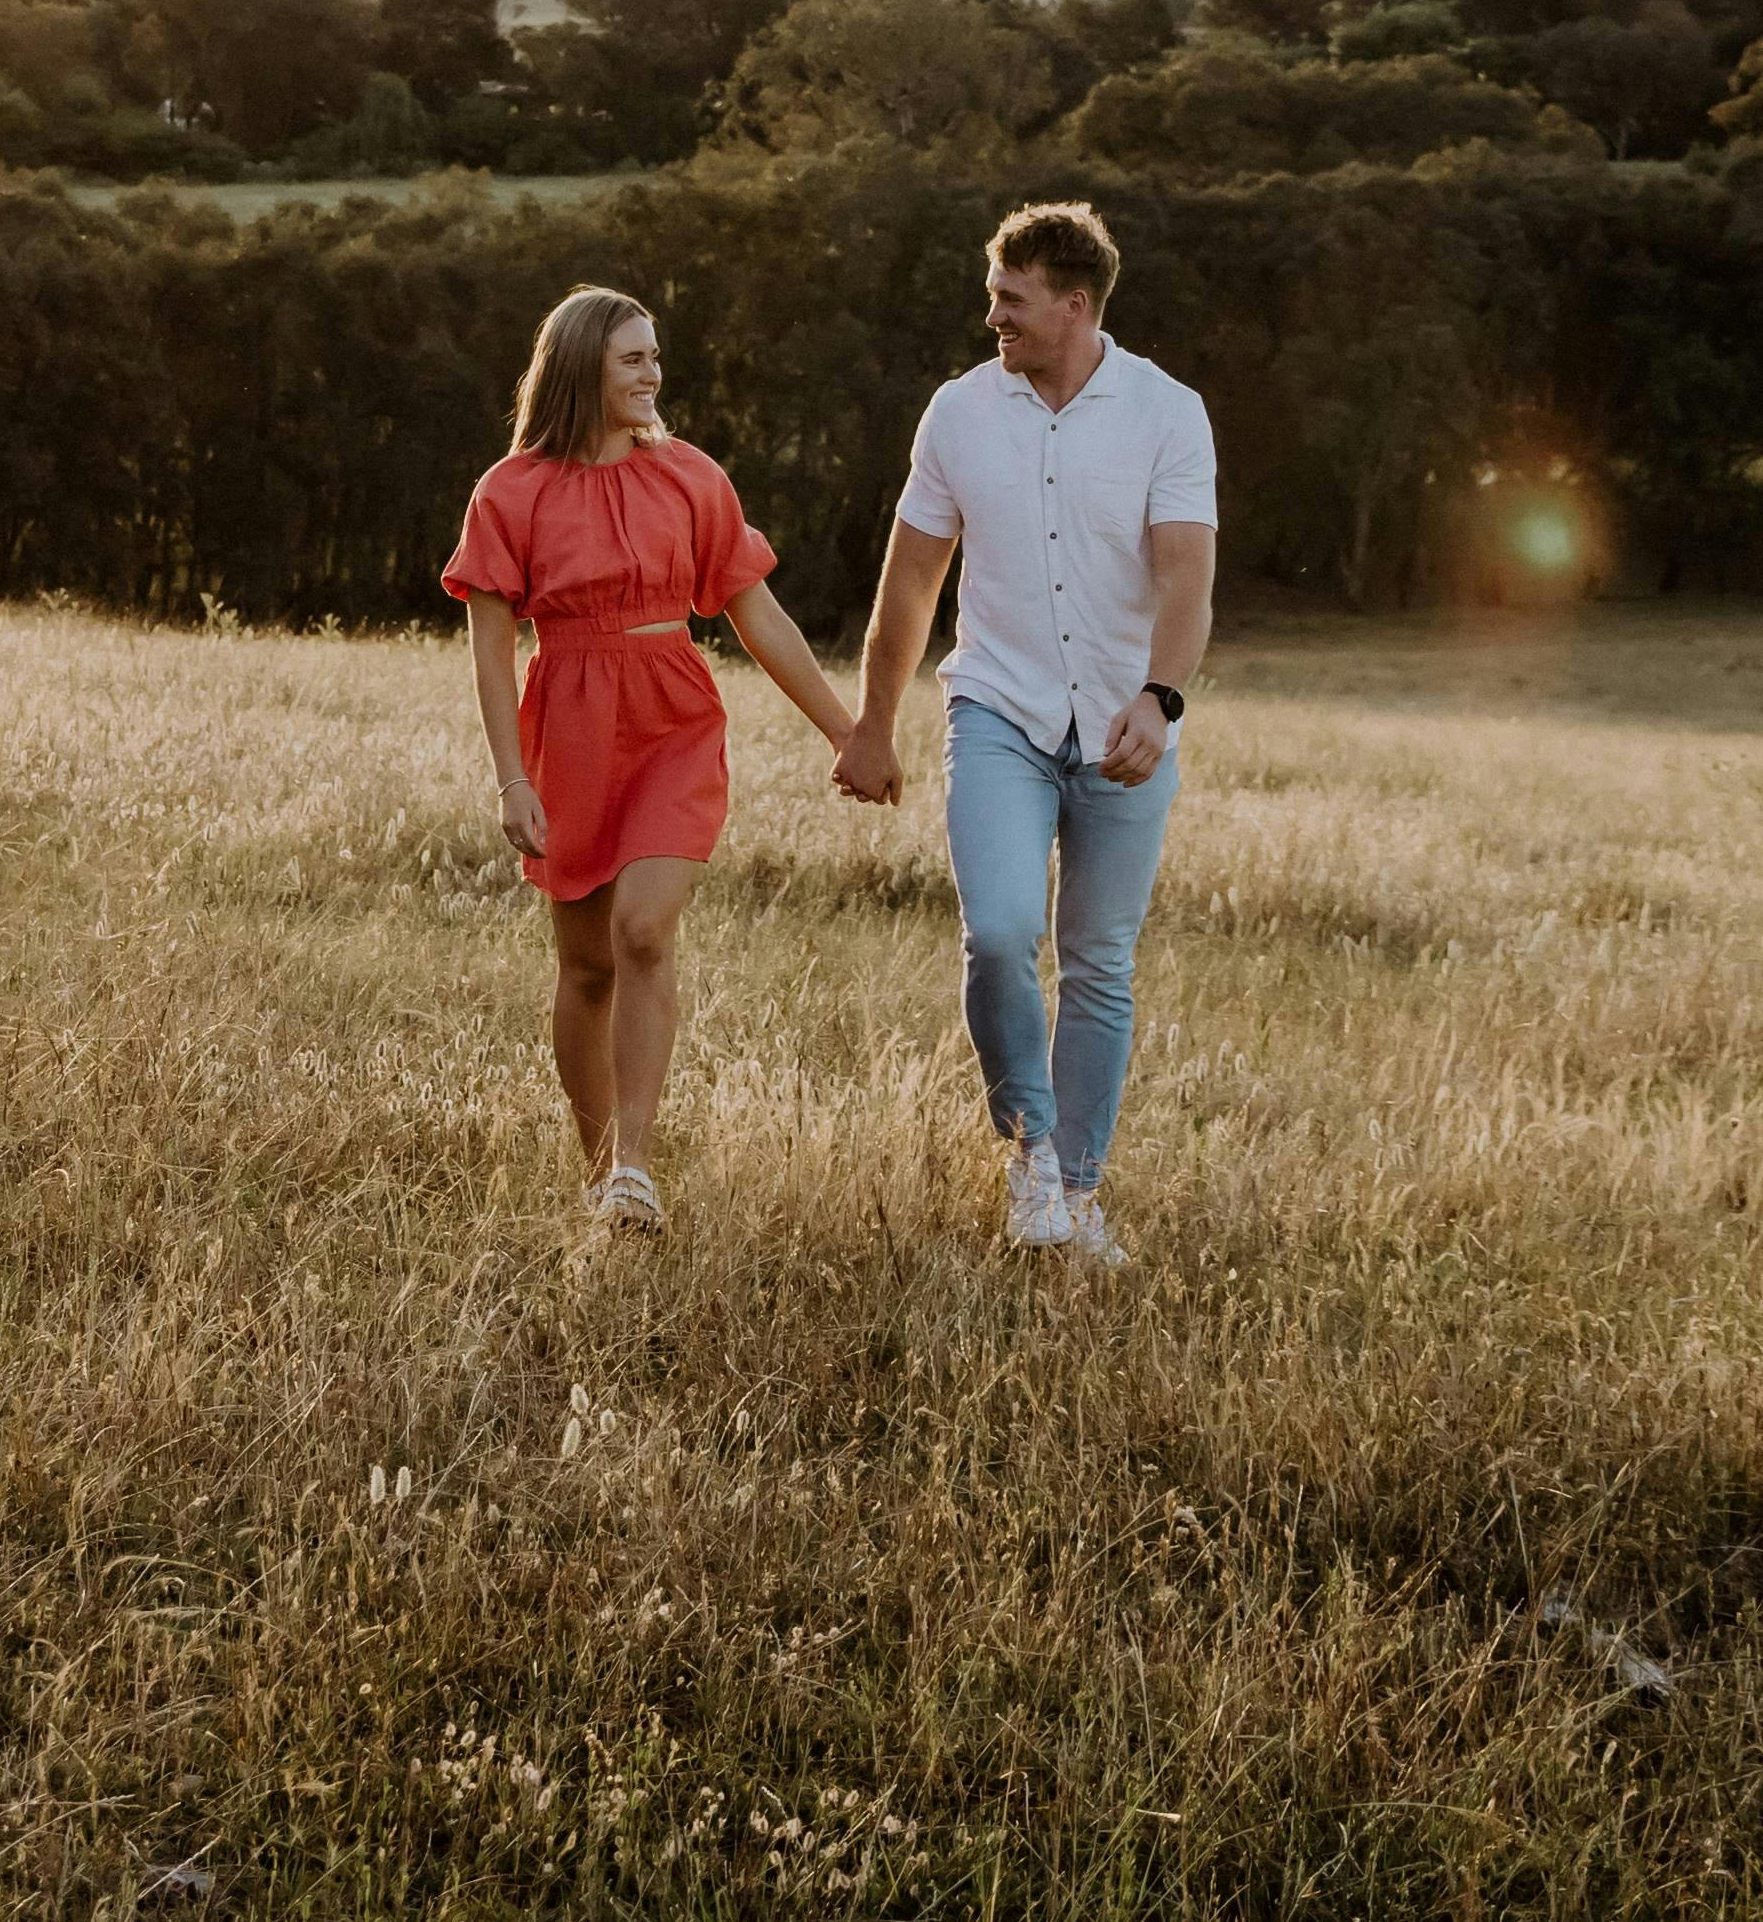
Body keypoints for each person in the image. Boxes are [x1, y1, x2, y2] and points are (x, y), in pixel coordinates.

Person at [835, 201, 1218, 1267]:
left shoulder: (1167, 412)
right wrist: (873, 722)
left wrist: (1161, 696)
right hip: (997, 706)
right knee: (1001, 932)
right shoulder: (959, 413)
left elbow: (1188, 573)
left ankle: (1079, 1194)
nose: (991, 313)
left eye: (1011, 298)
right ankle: (1033, 1159)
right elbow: (910, 581)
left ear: (1074, 305)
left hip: (1122, 725)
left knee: (1098, 961)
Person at [448, 285, 859, 1235]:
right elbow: (491, 649)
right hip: (569, 726)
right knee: (585, 966)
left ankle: (635, 1163)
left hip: (673, 718)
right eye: (633, 357)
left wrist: (843, 731)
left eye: (656, 357)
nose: (654, 375)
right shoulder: (508, 492)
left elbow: (758, 613)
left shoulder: (690, 477)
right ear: (583, 363)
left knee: (642, 931)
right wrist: (512, 778)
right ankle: (599, 1175)